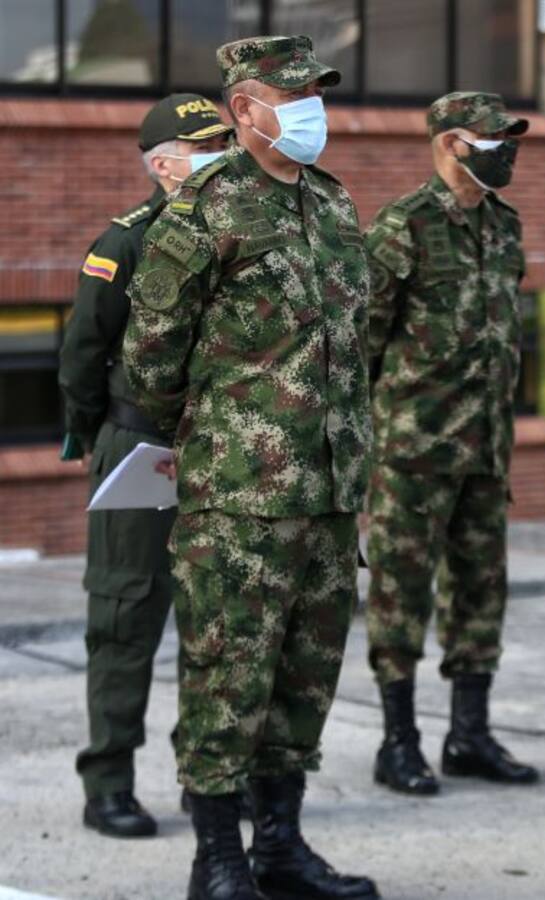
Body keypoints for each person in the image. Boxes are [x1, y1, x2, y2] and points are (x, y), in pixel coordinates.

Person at [123, 36, 377, 900]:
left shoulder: (334, 206)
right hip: (240, 500)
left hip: (332, 494)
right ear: (243, 109)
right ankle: (217, 859)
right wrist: (217, 440)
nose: (313, 111)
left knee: (304, 678)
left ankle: (280, 846)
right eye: (294, 95)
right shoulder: (203, 210)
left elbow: (355, 343)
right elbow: (151, 358)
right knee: (228, 676)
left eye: (317, 93)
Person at [59, 93, 231, 839]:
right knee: (126, 616)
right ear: (164, 165)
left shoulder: (241, 235)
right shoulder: (124, 243)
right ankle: (108, 784)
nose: (222, 156)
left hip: (222, 454)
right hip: (140, 448)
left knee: (216, 625)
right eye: (205, 146)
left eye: (226, 142)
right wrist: (103, 436)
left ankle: (209, 781)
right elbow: (80, 358)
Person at [364, 91, 539, 796]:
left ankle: (469, 733)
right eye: (492, 139)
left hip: (487, 443)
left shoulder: (505, 224)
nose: (507, 150)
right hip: (414, 447)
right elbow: (364, 343)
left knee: (481, 587)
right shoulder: (401, 227)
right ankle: (397, 740)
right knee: (401, 592)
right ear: (449, 144)